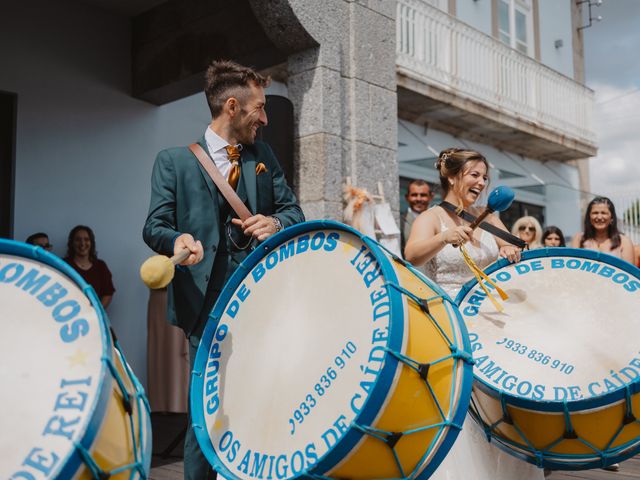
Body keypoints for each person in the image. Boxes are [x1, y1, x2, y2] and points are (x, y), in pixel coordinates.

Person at [143, 60, 305, 480]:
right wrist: (175, 240)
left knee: (268, 396)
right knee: (209, 408)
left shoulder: (262, 155)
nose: (265, 119)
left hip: (262, 297)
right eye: (259, 108)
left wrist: (275, 223)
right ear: (232, 107)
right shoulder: (174, 161)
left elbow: (293, 210)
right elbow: (154, 225)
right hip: (204, 305)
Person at [405, 148, 542, 480]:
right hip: (451, 324)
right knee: (465, 404)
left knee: (498, 399)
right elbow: (411, 256)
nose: (481, 182)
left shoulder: (490, 216)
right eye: (474, 175)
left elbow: (507, 250)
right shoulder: (431, 217)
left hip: (492, 322)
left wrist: (510, 249)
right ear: (452, 177)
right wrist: (443, 237)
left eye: (484, 176)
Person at [571, 196, 634, 264]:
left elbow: (629, 273)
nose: (599, 217)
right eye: (595, 213)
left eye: (604, 213)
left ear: (612, 217)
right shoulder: (579, 239)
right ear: (589, 217)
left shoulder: (623, 242)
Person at [64, 225, 115, 309]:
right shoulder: (64, 265)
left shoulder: (100, 266)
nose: (82, 243)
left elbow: (108, 293)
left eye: (86, 239)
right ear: (72, 243)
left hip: (93, 319)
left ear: (91, 243)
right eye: (78, 240)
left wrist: (96, 312)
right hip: (68, 317)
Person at [401, 179, 433, 250]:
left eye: (423, 195)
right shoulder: (399, 221)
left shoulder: (439, 218)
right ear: (407, 197)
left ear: (431, 197)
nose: (418, 199)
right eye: (414, 195)